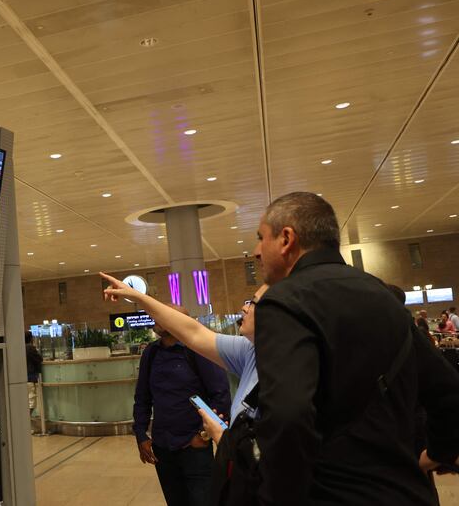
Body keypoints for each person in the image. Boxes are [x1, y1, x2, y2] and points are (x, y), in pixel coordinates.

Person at [250, 191, 459, 505]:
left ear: (286, 239)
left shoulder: (285, 301)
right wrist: (439, 452)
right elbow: (448, 391)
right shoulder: (382, 295)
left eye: (260, 237)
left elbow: (287, 415)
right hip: (406, 492)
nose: (256, 251)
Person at [101, 274, 267, 443]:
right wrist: (137, 296)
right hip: (166, 441)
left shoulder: (285, 365)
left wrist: (202, 436)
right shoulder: (248, 350)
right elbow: (194, 333)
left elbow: (220, 393)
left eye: (252, 303)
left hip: (198, 445)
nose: (244, 308)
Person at [132, 304, 231, 506]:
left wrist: (201, 436)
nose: (156, 318)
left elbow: (221, 397)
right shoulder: (151, 353)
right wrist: (141, 434)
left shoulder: (198, 351)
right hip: (163, 447)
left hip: (193, 448)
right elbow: (142, 397)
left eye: (163, 315)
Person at [24, 332, 42, 417]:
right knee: (31, 403)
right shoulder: (30, 348)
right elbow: (39, 359)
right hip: (30, 377)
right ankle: (27, 424)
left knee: (26, 402)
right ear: (30, 338)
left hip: (24, 378)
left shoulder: (19, 347)